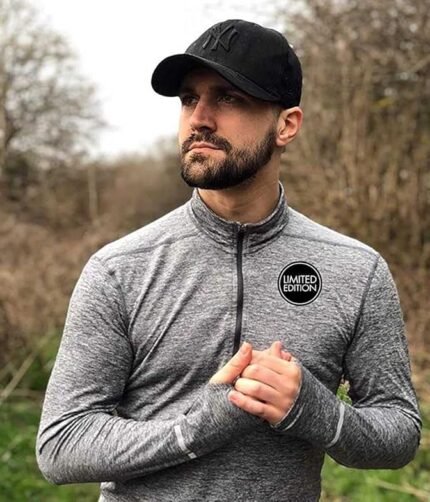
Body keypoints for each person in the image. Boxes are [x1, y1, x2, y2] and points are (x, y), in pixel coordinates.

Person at [36, 19, 421, 501]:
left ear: (286, 125)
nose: (199, 118)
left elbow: (399, 433)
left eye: (229, 98)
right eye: (188, 99)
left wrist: (315, 411)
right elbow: (61, 445)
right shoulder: (120, 270)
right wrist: (197, 429)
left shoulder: (356, 271)